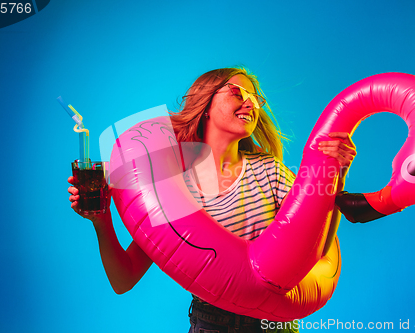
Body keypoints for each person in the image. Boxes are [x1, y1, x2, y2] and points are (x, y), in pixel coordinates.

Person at [67, 67, 356, 332]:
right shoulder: (173, 189)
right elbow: (123, 279)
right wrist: (101, 221)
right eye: (237, 93)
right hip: (209, 326)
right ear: (205, 103)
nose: (251, 104)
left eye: (257, 99)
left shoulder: (271, 173)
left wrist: (334, 178)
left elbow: (314, 250)